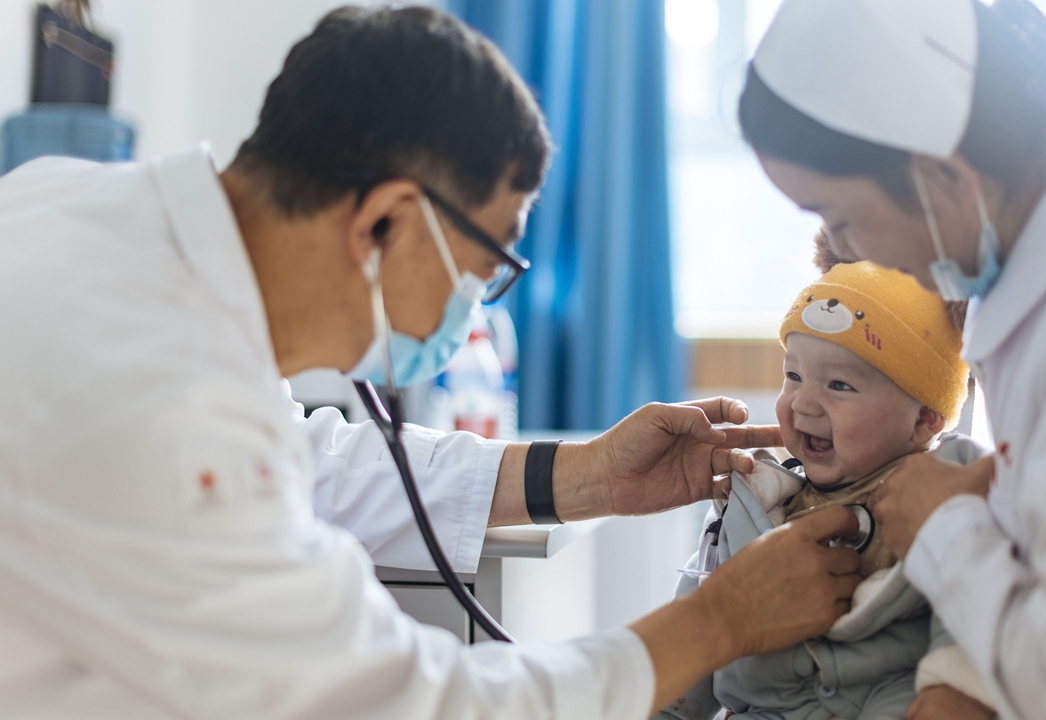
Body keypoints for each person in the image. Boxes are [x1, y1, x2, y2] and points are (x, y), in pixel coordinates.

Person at [0, 6, 870, 720]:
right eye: (484, 272)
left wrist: (592, 477)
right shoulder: (146, 399)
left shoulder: (75, 206)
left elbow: (309, 465)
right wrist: (716, 622)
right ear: (385, 220)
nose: (475, 309)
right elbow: (410, 702)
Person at [738, 0, 1046, 719]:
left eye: (846, 219)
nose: (850, 256)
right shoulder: (1036, 288)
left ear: (944, 179)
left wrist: (944, 532)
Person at [657, 248, 989, 720]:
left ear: (924, 420)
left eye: (839, 386)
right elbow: (692, 641)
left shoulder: (949, 492)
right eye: (793, 375)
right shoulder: (752, 500)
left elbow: (980, 609)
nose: (802, 404)